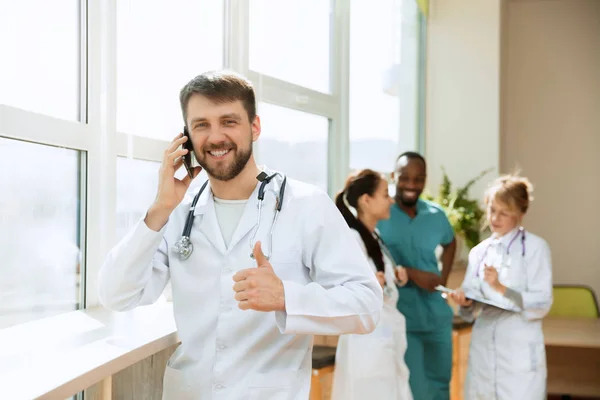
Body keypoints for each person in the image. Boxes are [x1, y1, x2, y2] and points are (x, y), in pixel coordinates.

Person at [97, 70, 382, 400]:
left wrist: (287, 297)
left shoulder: (305, 205)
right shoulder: (177, 210)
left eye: (229, 121)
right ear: (186, 136)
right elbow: (116, 295)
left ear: (255, 127)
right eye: (201, 124)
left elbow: (368, 305)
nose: (216, 137)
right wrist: (159, 210)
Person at [450, 174, 553, 400]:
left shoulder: (535, 249)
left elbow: (542, 303)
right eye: (492, 210)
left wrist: (501, 288)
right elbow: (469, 313)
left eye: (503, 212)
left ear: (520, 213)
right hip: (484, 350)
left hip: (518, 353)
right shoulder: (479, 252)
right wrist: (464, 302)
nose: (495, 218)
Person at [377, 151, 456, 400]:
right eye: (405, 178)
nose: (411, 185)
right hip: (403, 316)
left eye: (418, 179)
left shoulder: (435, 215)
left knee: (441, 383)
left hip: (437, 315)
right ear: (393, 177)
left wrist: (443, 278)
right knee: (415, 389)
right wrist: (411, 273)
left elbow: (451, 242)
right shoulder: (382, 216)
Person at [331, 169, 413, 400]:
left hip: (384, 331)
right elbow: (341, 287)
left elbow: (378, 278)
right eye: (385, 194)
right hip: (367, 339)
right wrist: (368, 285)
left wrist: (395, 277)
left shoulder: (373, 236)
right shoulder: (351, 238)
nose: (390, 200)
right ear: (366, 201)